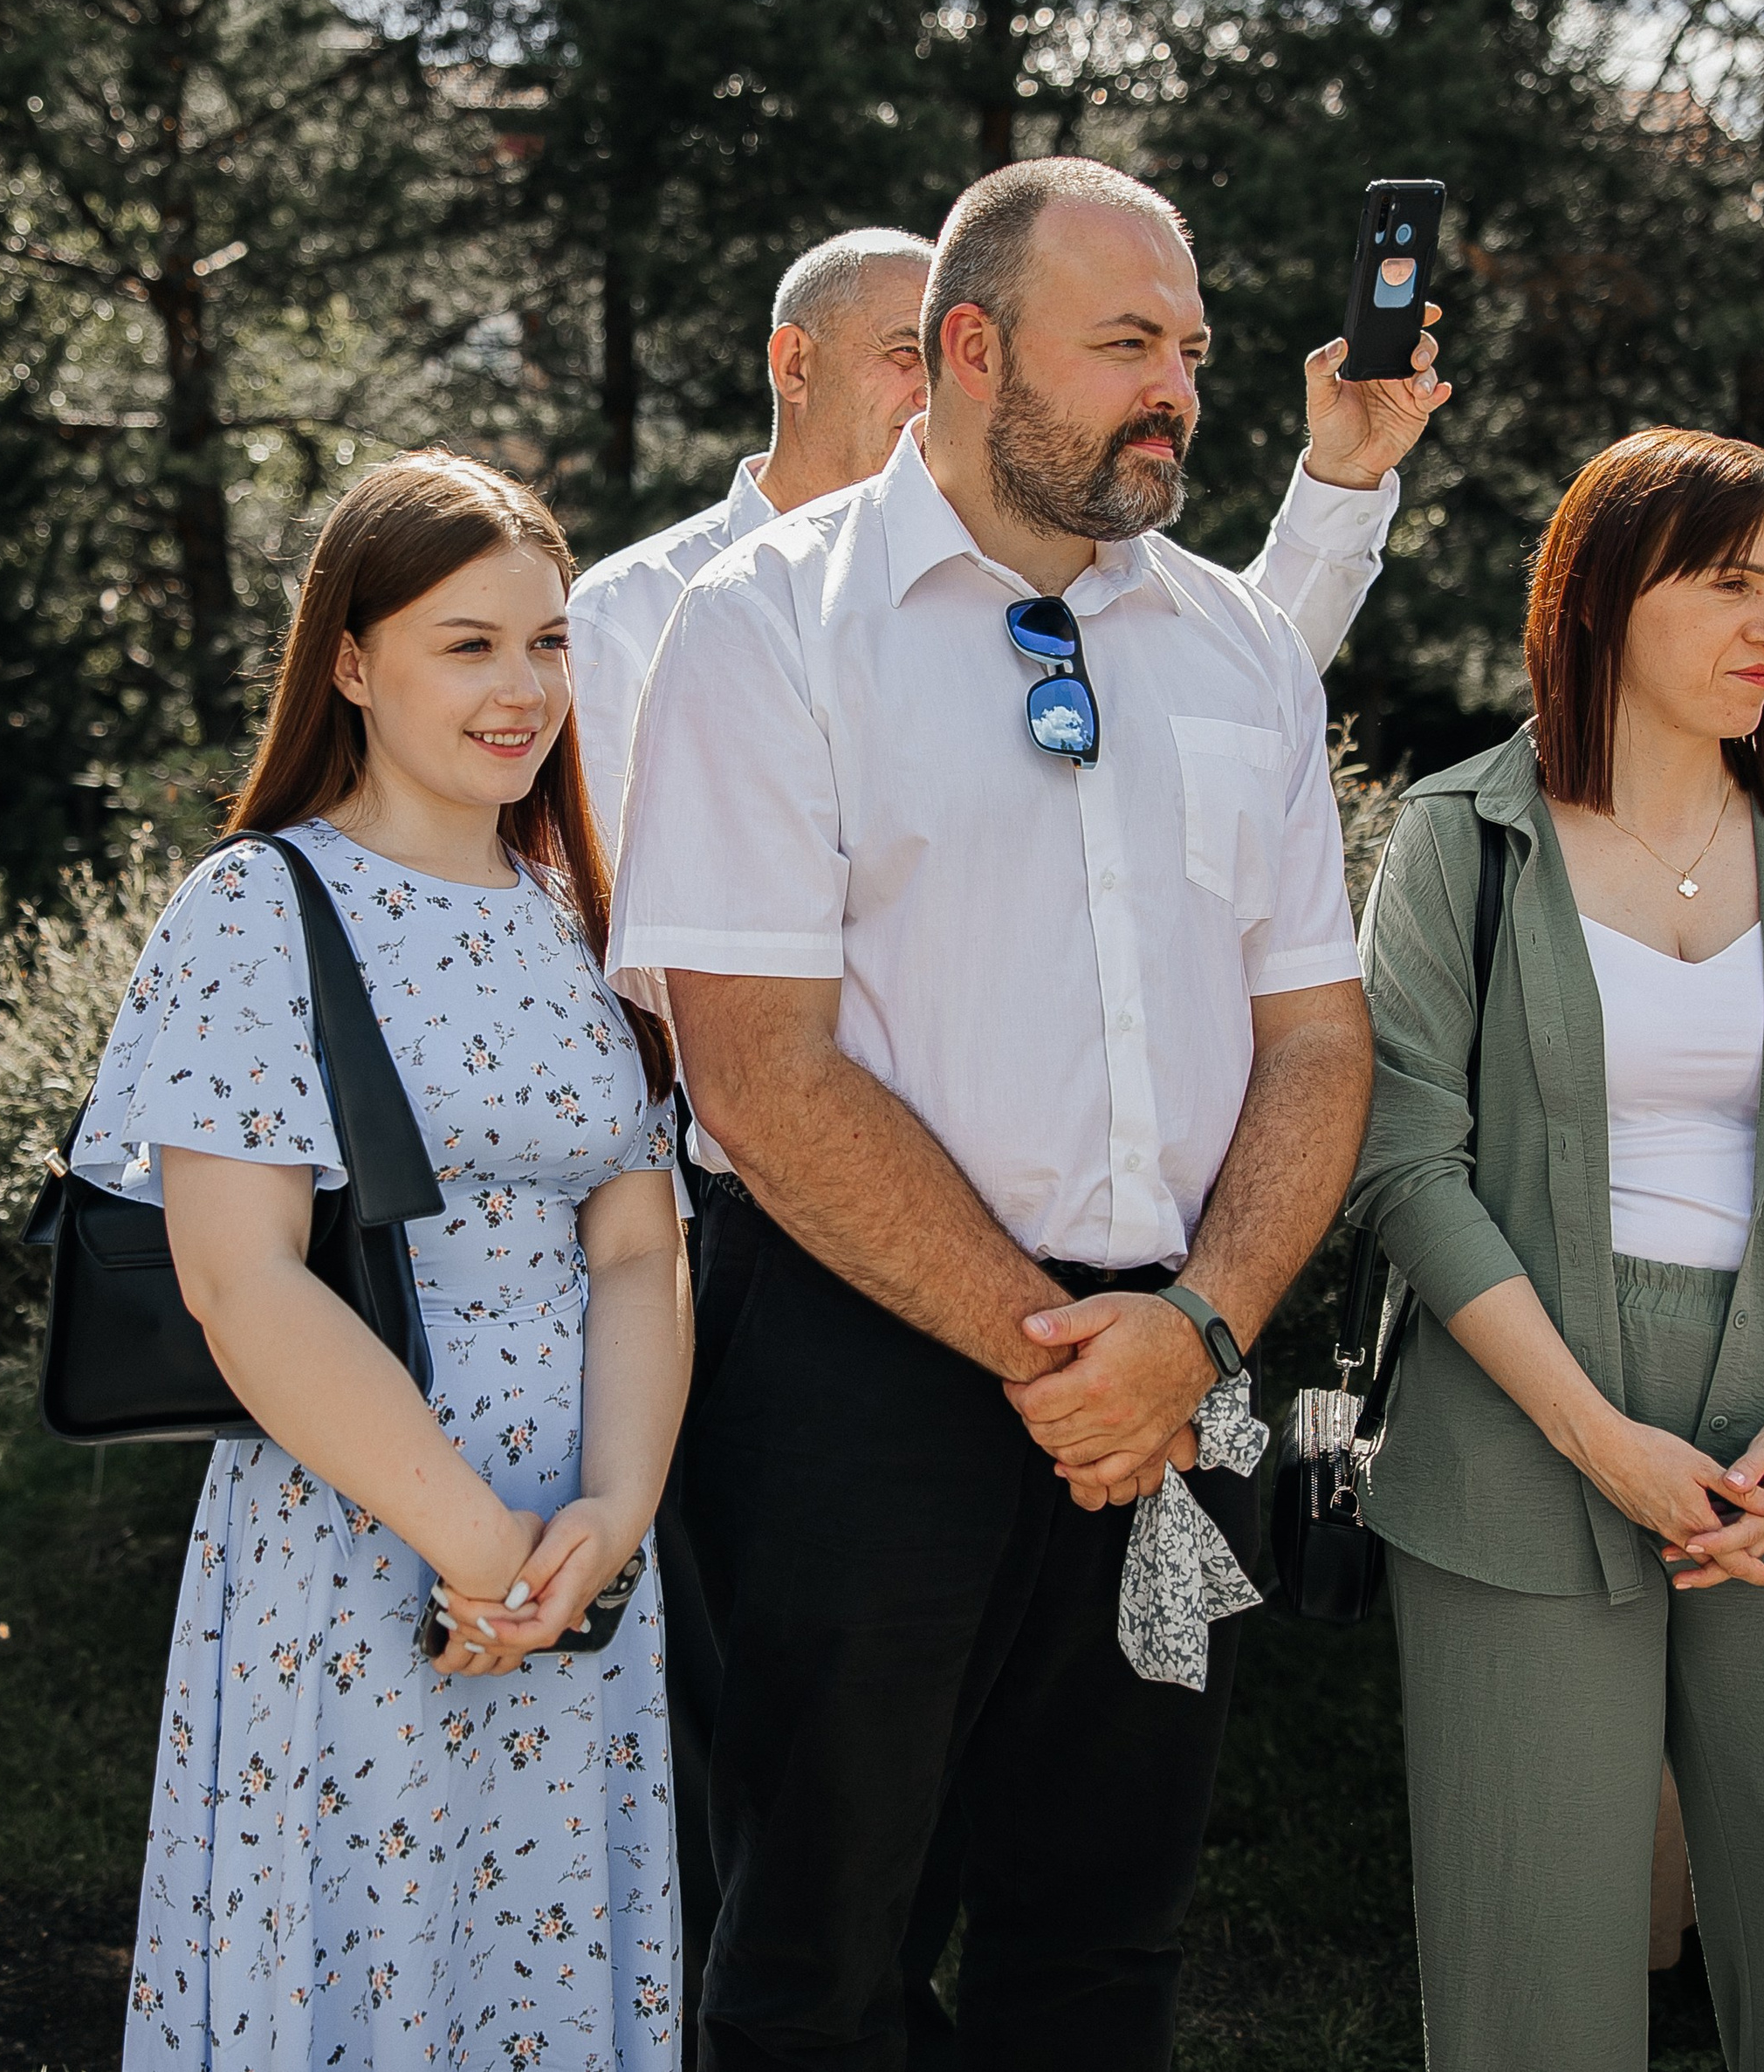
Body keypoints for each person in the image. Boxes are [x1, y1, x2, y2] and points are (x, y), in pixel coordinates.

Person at [608, 154, 1404, 2069]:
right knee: (817, 1951)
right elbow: (756, 1065)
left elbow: (1313, 1038)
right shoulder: (763, 627)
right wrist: (1067, 1359)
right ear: (966, 350)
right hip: (854, 1366)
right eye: (1123, 341)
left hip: (1175, 1354)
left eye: (1190, 349)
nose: (1177, 391)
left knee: (1100, 1941)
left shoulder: (1228, 650)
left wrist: (1193, 1331)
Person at [77, 450, 692, 2068]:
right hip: (360, 1538)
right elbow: (239, 1280)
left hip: (573, 1549)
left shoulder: (578, 917)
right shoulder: (256, 908)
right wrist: (475, 1540)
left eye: (550, 641)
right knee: (362, 1970)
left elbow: (637, 1246)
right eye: (468, 643)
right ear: (350, 661)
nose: (526, 687)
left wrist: (604, 1523)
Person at [1350, 426, 1764, 2071]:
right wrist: (1599, 1437)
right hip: (1519, 1446)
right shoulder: (1462, 835)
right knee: (1537, 1999)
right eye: (1731, 586)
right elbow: (1402, 1161)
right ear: (1602, 600)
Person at [568, 221, 1439, 841]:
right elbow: (636, 943)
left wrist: (1345, 477)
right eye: (907, 355)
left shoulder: (1017, 573)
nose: (938, 389)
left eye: (958, 358)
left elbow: (1239, 667)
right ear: (795, 364)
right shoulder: (633, 612)